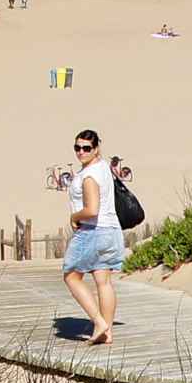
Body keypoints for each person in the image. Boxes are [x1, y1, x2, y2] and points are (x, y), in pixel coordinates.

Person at [63, 129, 122, 346]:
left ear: (96, 148)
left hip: (92, 231)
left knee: (71, 276)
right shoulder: (103, 167)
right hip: (112, 231)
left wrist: (74, 216)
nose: (81, 152)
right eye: (77, 147)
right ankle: (106, 333)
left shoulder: (89, 176)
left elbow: (91, 210)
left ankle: (99, 322)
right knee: (103, 282)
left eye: (86, 148)